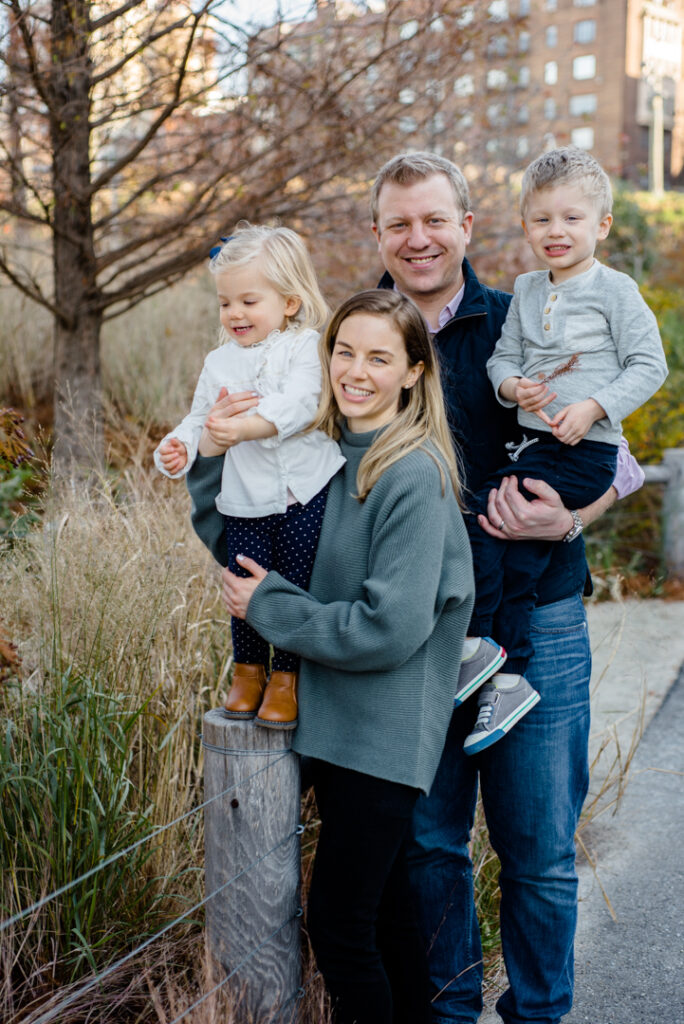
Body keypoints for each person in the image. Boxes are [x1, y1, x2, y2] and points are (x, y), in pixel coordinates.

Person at [368, 151, 645, 1024]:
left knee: (538, 852)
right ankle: (449, 1015)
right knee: (429, 847)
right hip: (412, 635)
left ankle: (537, 1017)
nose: (419, 240)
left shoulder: (525, 313)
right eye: (399, 224)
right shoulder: (358, 334)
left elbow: (620, 463)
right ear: (378, 234)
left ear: (468, 227)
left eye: (434, 220)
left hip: (542, 619)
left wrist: (569, 521)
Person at [188, 288, 476, 1024]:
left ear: (414, 372)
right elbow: (249, 559)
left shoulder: (412, 473)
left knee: (341, 927)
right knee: (386, 920)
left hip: (380, 733)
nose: (355, 370)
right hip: (328, 721)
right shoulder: (317, 455)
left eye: (379, 357)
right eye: (344, 351)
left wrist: (274, 611)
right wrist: (211, 460)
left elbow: (390, 626)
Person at [460, 147, 667, 756]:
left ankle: (500, 664)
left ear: (601, 225)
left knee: (508, 534)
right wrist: (511, 385)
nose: (557, 232)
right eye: (543, 220)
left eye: (572, 219)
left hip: (583, 449)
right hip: (533, 442)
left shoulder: (615, 290)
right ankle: (496, 664)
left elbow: (648, 366)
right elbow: (502, 356)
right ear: (525, 225)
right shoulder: (525, 291)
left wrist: (595, 406)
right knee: (494, 528)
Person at [154, 224, 344, 728]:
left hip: (306, 492)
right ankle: (248, 672)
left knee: (292, 584)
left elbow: (302, 403)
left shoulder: (307, 346)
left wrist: (241, 427)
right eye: (225, 303)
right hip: (245, 499)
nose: (234, 314)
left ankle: (287, 677)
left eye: (248, 301)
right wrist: (178, 446)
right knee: (243, 586)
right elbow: (199, 420)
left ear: (289, 301)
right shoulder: (218, 362)